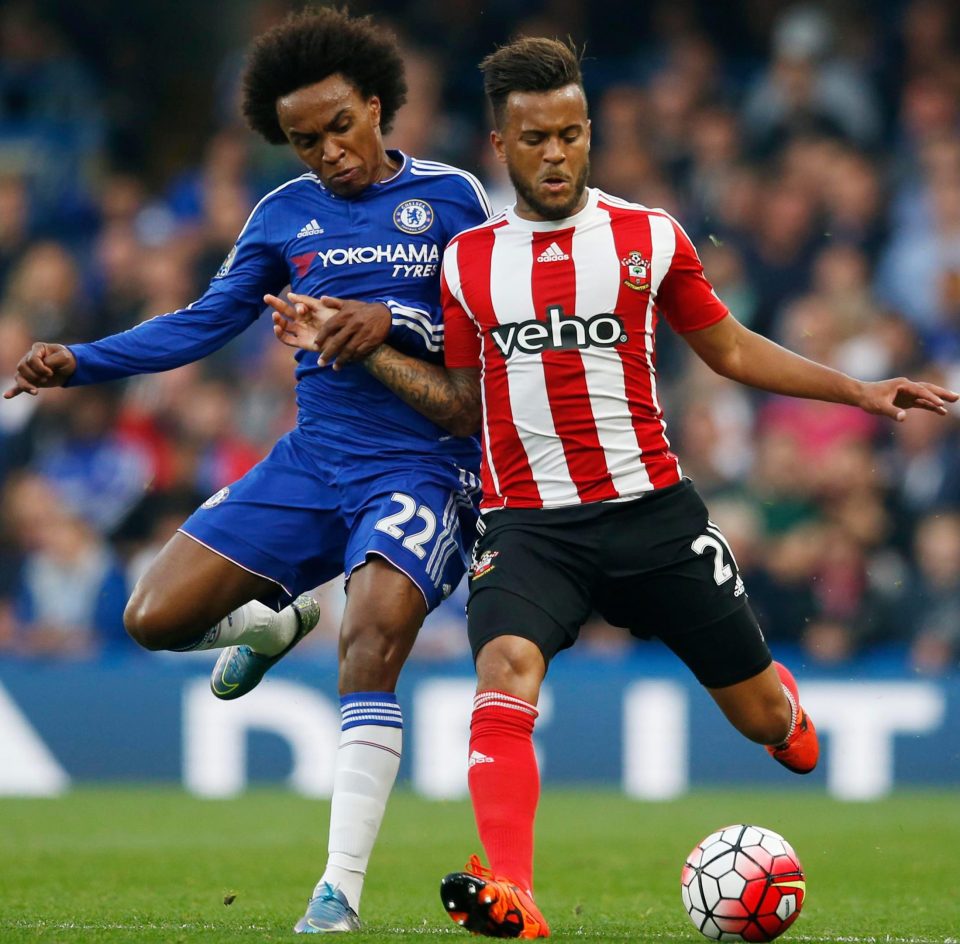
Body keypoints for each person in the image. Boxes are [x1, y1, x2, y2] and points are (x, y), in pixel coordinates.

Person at [268, 35, 959, 939]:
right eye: (534, 139)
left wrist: (859, 389)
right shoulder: (468, 262)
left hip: (653, 516)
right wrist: (364, 346)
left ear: (588, 133)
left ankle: (781, 703)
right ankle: (512, 889)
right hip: (529, 527)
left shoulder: (647, 237)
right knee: (503, 671)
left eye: (569, 134)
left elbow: (732, 348)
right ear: (501, 147)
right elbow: (464, 403)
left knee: (764, 724)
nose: (554, 154)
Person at [2, 9, 490, 934]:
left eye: (340, 126)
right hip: (313, 460)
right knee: (151, 619)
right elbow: (200, 322)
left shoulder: (455, 198)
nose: (329, 153)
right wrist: (84, 359)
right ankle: (270, 627)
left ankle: (337, 891)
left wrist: (395, 327)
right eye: (304, 140)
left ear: (377, 105)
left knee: (372, 641)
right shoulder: (281, 216)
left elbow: (485, 338)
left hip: (420, 466)